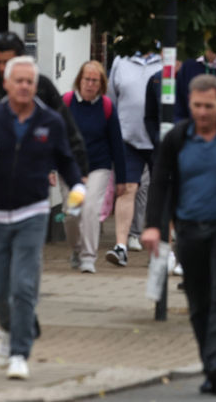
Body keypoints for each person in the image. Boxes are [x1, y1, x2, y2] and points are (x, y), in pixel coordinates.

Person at [141, 75, 216, 396]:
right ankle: (210, 361)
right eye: (196, 105)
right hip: (189, 229)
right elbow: (160, 182)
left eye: (208, 106)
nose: (202, 112)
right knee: (199, 302)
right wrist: (154, 224)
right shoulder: (178, 138)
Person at [0, 56, 85, 381]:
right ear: (6, 83)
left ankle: (19, 353)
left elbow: (66, 159)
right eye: (18, 81)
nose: (24, 86)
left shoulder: (50, 121)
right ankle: (7, 329)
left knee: (25, 286)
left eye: (30, 81)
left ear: (35, 85)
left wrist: (79, 186)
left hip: (33, 212)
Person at [62, 61, 127, 274]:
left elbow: (117, 144)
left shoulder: (107, 107)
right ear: (79, 80)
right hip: (70, 167)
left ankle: (89, 257)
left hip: (98, 166)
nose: (90, 84)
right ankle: (76, 249)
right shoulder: (67, 103)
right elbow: (57, 138)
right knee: (71, 212)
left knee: (89, 208)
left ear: (101, 84)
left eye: (94, 81)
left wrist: (121, 179)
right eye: (86, 79)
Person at [105, 48, 165, 265]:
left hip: (160, 139)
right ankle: (121, 246)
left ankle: (160, 249)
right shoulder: (121, 60)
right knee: (127, 188)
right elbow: (111, 99)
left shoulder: (166, 59)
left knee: (161, 193)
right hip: (128, 138)